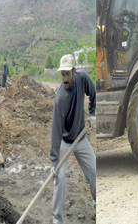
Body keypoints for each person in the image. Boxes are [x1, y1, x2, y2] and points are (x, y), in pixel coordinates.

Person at [50, 54, 96, 224]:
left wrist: (92, 113)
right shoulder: (60, 99)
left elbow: (93, 93)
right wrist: (54, 162)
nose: (65, 78)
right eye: (62, 74)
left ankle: (97, 202)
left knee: (94, 173)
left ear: (75, 71)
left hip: (81, 139)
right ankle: (57, 219)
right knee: (59, 178)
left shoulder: (83, 78)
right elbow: (55, 132)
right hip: (65, 142)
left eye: (67, 74)